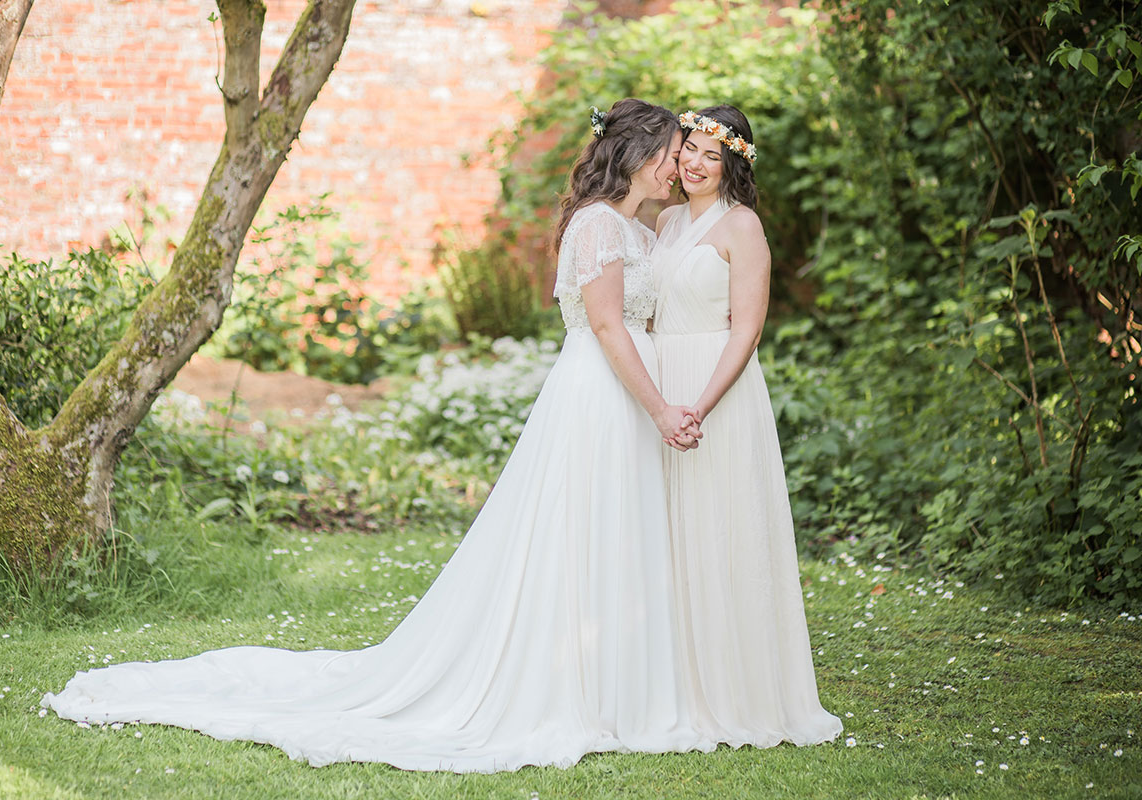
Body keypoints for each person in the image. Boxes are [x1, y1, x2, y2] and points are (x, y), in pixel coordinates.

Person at [42, 98, 717, 773]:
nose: (676, 166)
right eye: (670, 153)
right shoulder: (598, 225)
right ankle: (573, 686)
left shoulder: (643, 230)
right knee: (581, 529)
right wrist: (661, 408)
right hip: (601, 395)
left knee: (618, 526)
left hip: (631, 395)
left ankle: (620, 681)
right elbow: (606, 326)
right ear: (635, 154)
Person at [651, 104, 843, 747]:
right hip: (664, 385)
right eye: (689, 149)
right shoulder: (665, 220)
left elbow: (747, 330)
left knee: (721, 527)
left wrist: (700, 406)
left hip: (718, 390)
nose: (694, 163)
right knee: (670, 531)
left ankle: (736, 688)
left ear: (733, 162)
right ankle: (674, 684)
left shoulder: (743, 226)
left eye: (711, 154)